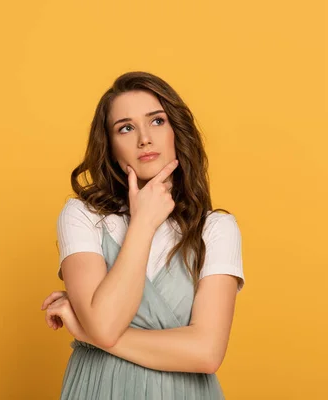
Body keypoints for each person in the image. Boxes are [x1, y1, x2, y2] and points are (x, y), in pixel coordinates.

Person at [40, 71, 245, 399]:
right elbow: (105, 325)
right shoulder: (82, 217)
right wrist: (142, 224)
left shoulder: (216, 229)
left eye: (157, 121)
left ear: (177, 131)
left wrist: (88, 333)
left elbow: (206, 353)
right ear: (110, 146)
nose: (144, 138)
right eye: (126, 128)